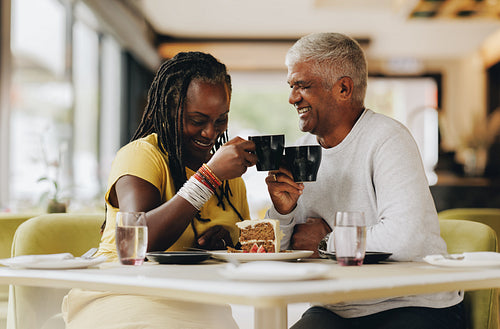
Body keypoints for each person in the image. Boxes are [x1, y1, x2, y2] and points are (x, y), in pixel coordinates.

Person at [265, 33, 465, 329]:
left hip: (412, 303)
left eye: (302, 86)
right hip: (337, 308)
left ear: (343, 88)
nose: (293, 97)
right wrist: (283, 213)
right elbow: (283, 248)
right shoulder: (302, 149)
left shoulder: (388, 139)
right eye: (291, 86)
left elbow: (404, 238)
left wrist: (325, 242)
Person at [62, 51, 257, 329]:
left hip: (199, 304)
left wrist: (227, 244)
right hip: (122, 294)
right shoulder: (142, 155)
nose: (210, 132)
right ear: (169, 110)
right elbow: (139, 241)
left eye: (221, 119)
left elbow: (249, 254)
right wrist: (209, 177)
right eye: (198, 120)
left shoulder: (231, 178)